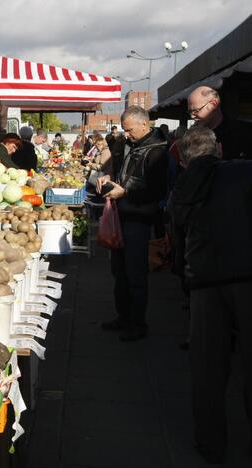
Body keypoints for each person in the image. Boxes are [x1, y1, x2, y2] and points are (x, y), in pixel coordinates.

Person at [168, 126, 252, 464]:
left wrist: (184, 277)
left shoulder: (181, 188)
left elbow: (176, 238)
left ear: (184, 159)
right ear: (217, 148)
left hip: (203, 283)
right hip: (247, 279)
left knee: (207, 369)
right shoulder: (244, 172)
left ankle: (210, 443)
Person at [97, 106, 168, 341]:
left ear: (144, 125)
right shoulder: (126, 144)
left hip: (138, 219)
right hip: (121, 215)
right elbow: (118, 171)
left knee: (135, 274)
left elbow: (157, 191)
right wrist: (107, 178)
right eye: (124, 130)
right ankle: (123, 317)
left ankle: (138, 324)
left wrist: (125, 193)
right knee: (119, 272)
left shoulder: (157, 151)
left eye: (129, 130)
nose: (125, 134)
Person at [187, 85, 249, 160]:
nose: (192, 116)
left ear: (213, 104)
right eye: (190, 112)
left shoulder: (243, 133)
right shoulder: (192, 137)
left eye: (196, 111)